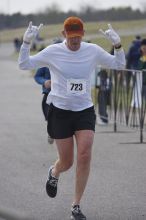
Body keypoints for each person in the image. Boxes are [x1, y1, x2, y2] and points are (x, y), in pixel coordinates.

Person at [18, 17, 125, 220]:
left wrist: (117, 45)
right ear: (63, 34)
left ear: (83, 35)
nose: (75, 41)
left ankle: (75, 205)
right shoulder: (53, 51)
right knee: (67, 162)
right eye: (71, 36)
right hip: (61, 112)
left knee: (84, 155)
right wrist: (26, 43)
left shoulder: (91, 50)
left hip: (84, 110)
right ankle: (55, 171)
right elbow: (24, 64)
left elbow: (119, 65)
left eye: (78, 37)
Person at [34, 67, 54, 144]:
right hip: (48, 95)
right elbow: (37, 76)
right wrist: (44, 81)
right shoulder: (46, 61)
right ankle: (51, 131)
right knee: (49, 116)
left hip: (63, 96)